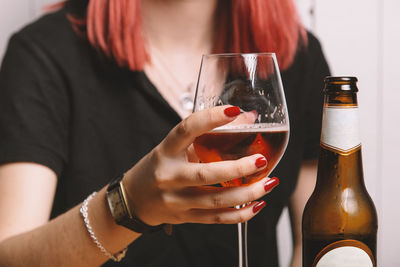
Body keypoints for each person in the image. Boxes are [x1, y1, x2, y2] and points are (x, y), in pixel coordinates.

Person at [0, 0, 330, 266]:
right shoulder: (43, 54)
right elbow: (9, 257)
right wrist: (127, 205)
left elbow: (319, 240)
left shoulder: (298, 55)